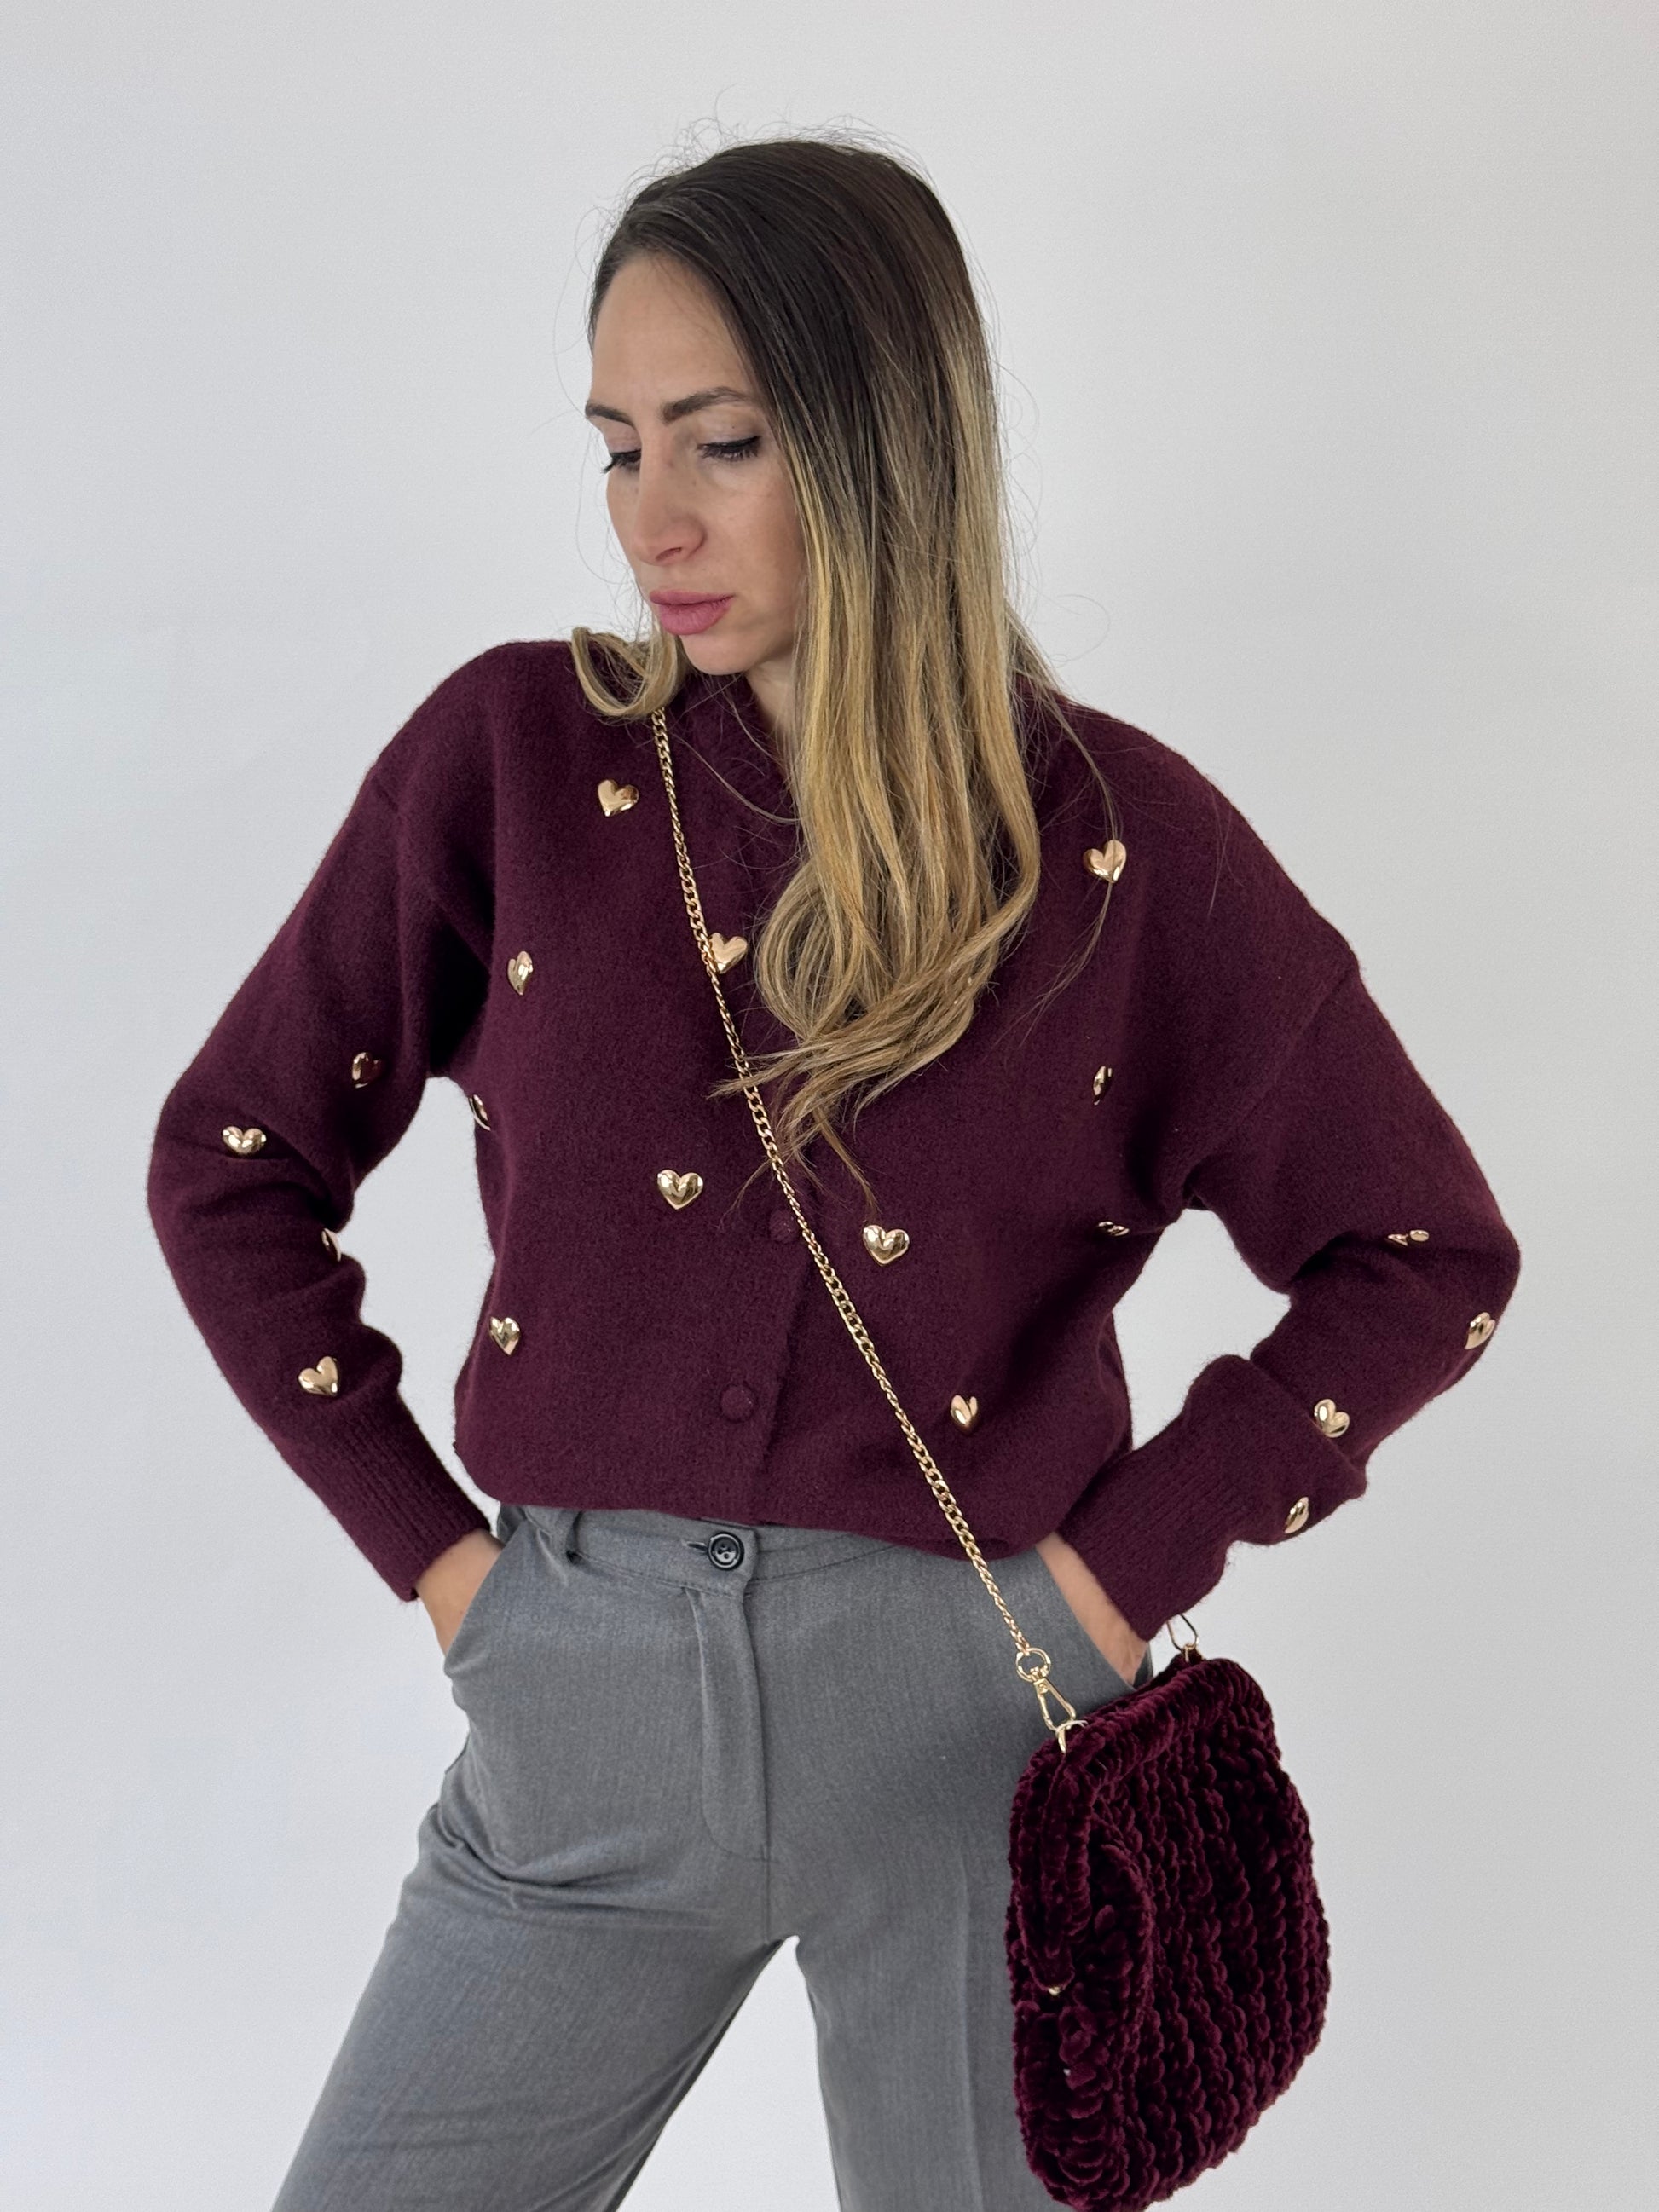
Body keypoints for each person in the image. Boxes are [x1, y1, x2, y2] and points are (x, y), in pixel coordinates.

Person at [146, 136, 1521, 2211]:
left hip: (970, 1723)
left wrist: (1104, 1585)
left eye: (721, 440)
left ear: (884, 442)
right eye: (616, 447)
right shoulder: (513, 759)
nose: (653, 519)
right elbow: (231, 1157)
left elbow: (1421, 1248)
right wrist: (446, 1571)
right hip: (577, 1694)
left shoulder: (1118, 841)